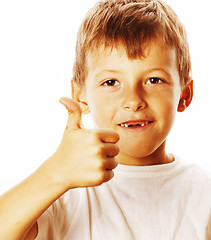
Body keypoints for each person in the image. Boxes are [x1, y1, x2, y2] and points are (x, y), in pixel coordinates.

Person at [0, 0, 211, 239]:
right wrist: (55, 173)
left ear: (184, 95)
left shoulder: (204, 195)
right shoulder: (63, 191)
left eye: (153, 80)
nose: (133, 100)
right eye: (111, 82)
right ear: (81, 96)